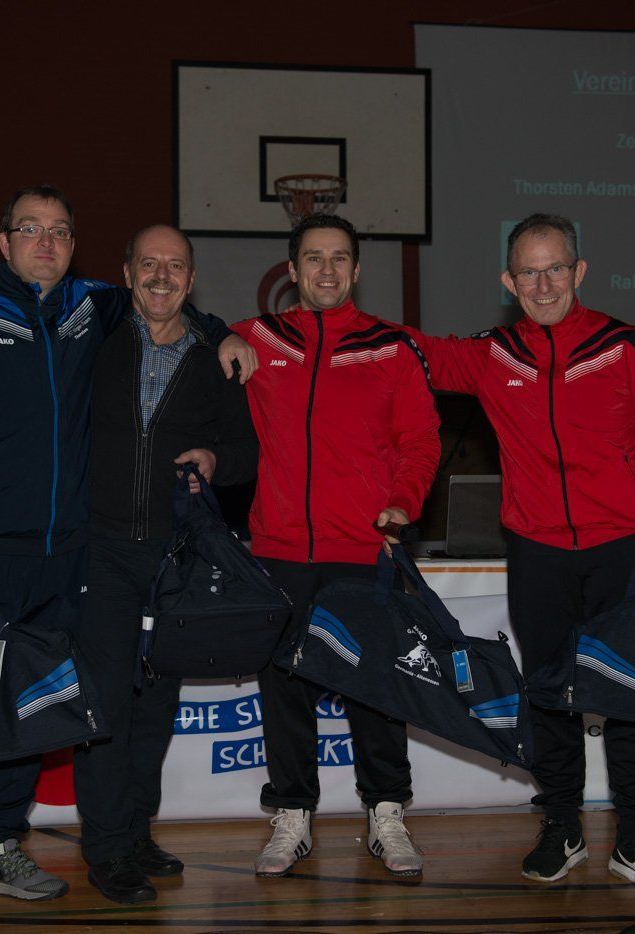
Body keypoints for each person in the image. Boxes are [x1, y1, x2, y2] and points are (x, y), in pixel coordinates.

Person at [0, 186, 254, 933]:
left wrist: (224, 334)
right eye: (31, 229)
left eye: (60, 231)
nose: (46, 242)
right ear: (3, 243)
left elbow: (169, 302)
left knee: (33, 709)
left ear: (76, 247)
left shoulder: (91, 309)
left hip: (63, 557)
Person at [404, 213, 635, 898]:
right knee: (548, 694)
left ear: (579, 271)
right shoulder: (495, 353)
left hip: (623, 548)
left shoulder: (621, 344)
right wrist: (257, 333)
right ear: (509, 282)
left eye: (555, 269)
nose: (543, 285)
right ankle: (561, 825)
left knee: (634, 695)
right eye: (529, 272)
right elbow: (408, 351)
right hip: (538, 551)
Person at [230, 214, 441, 878]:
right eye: (314, 258)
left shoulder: (391, 347)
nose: (327, 270)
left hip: (364, 551)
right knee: (285, 691)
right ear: (292, 271)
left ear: (356, 270)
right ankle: (292, 815)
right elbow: (174, 324)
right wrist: (215, 339)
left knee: (377, 691)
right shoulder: (254, 338)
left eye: (339, 258)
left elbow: (421, 441)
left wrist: (404, 501)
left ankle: (386, 812)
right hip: (279, 550)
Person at [74, 224, 257, 903]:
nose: (160, 276)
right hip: (101, 552)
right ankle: (106, 849)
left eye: (174, 266)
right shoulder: (91, 337)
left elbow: (245, 454)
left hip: (174, 559)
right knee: (106, 706)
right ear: (126, 272)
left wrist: (215, 460)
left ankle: (135, 832)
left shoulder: (215, 358)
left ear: (191, 277)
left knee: (155, 705)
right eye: (148, 264)